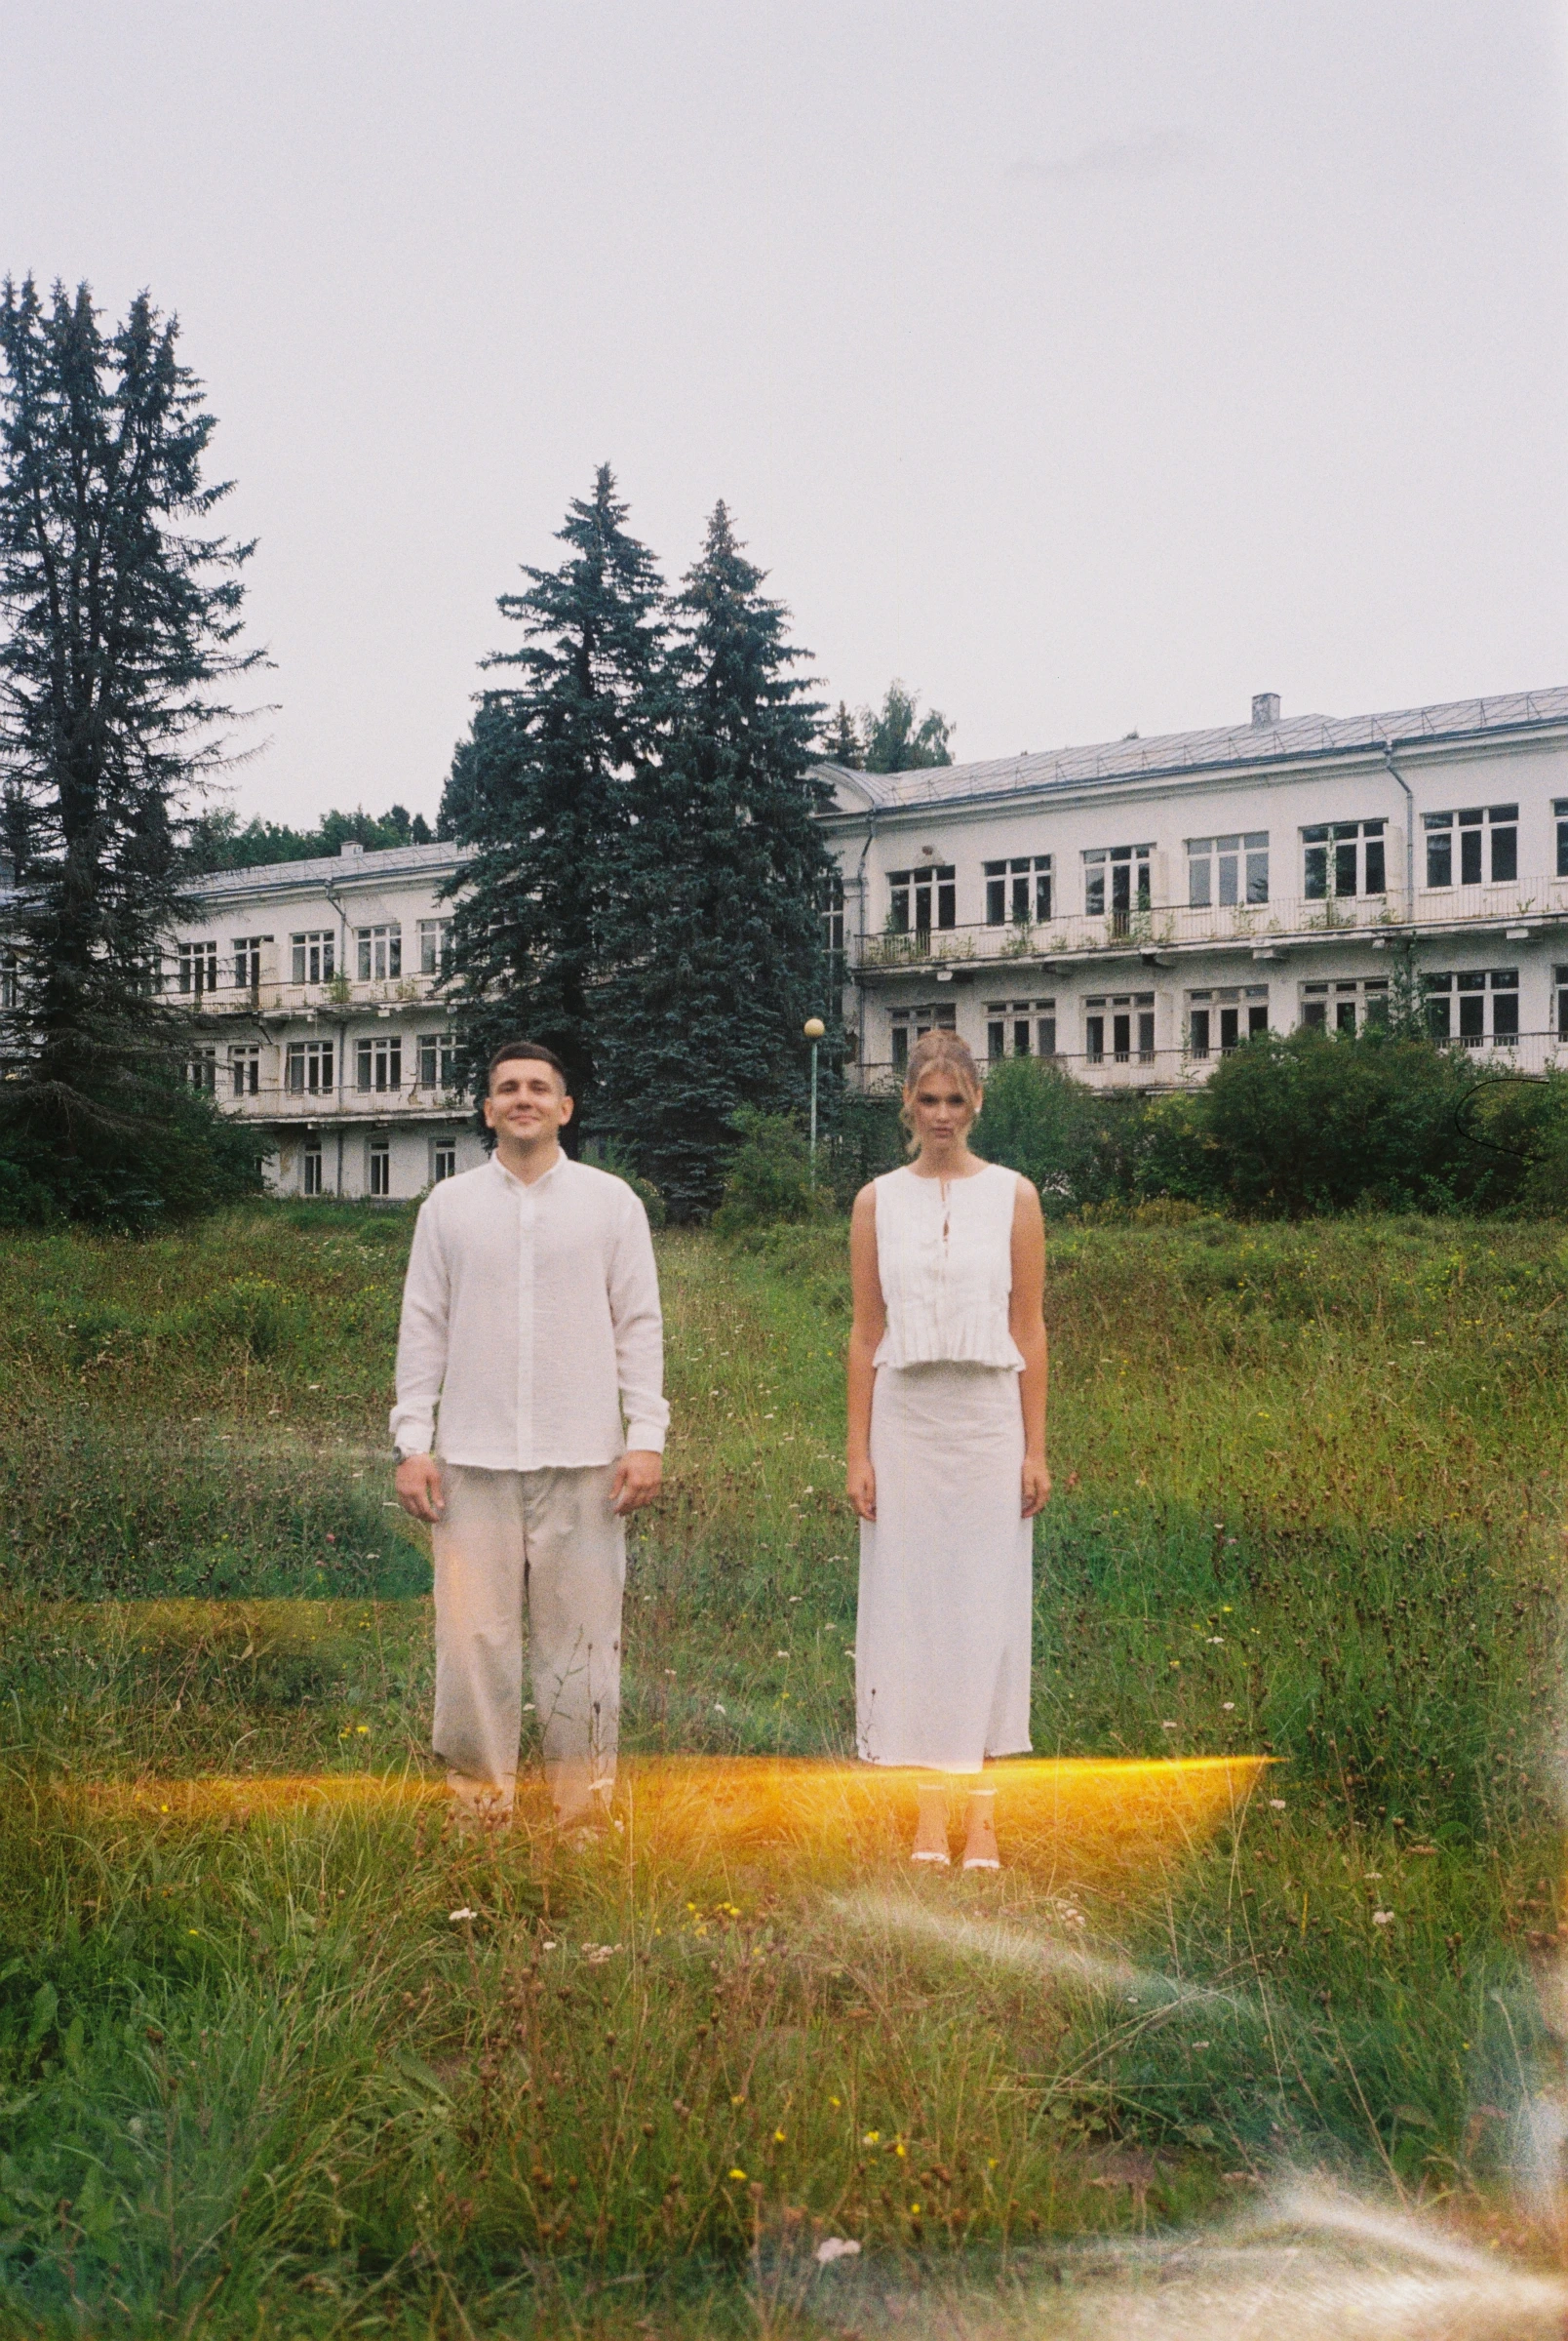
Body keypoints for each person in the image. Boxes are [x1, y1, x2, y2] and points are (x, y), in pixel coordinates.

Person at [391, 1042, 667, 1832]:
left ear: (564, 1108)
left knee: (581, 1645)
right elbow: (424, 1326)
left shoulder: (611, 1204)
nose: (523, 1099)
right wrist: (413, 1442)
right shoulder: (448, 1207)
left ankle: (583, 1816)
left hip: (585, 1461)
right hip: (471, 1463)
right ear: (487, 1109)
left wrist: (646, 1436)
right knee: (472, 1643)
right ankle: (481, 1808)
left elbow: (638, 1324)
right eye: (508, 1088)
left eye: (539, 1088)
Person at [845, 1028, 1049, 1868]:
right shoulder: (875, 1202)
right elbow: (865, 1334)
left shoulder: (1014, 1196)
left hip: (988, 1422)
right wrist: (858, 1454)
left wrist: (1035, 1449)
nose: (941, 1115)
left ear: (976, 1104)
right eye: (927, 1100)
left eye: (955, 1100)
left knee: (984, 1613)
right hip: (906, 1424)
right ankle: (930, 1812)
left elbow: (1029, 1328)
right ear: (907, 1104)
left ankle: (984, 1816)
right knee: (915, 1615)